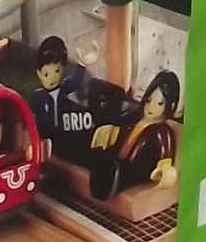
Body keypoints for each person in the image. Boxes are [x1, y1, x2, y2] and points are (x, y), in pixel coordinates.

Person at [87, 70, 180, 201]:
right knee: (98, 155)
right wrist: (110, 132)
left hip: (135, 171)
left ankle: (109, 180)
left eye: (160, 103)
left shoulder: (161, 131)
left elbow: (166, 157)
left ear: (171, 105)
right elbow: (123, 133)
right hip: (119, 161)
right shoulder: (136, 119)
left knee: (112, 168)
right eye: (149, 100)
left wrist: (163, 170)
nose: (151, 107)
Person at [25, 36, 93, 156]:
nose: (51, 78)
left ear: (63, 70)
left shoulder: (64, 88)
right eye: (46, 74)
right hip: (46, 134)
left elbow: (75, 81)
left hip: (64, 132)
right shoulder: (38, 97)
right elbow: (29, 115)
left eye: (56, 71)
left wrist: (82, 65)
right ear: (39, 74)